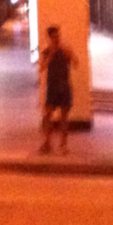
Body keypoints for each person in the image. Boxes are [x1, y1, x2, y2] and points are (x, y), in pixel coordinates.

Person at [39, 24, 76, 153]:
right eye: (54, 36)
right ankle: (47, 143)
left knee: (64, 118)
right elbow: (41, 68)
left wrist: (69, 53)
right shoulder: (47, 51)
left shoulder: (65, 49)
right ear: (50, 37)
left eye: (58, 36)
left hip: (64, 87)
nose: (56, 38)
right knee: (47, 116)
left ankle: (63, 145)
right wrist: (50, 55)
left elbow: (76, 63)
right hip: (53, 87)